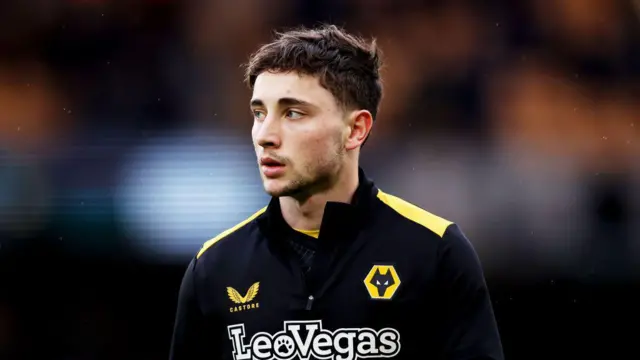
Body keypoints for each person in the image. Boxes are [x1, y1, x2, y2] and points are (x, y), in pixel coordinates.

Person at [169, 24, 503, 360]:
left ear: (356, 130)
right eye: (259, 113)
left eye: (293, 113)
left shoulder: (436, 251)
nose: (265, 135)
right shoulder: (214, 268)